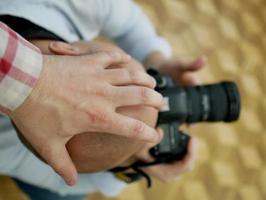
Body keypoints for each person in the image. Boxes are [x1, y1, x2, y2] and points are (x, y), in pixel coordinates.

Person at [0, 20, 164, 187]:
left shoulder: (74, 7)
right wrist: (127, 168)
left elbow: (130, 21)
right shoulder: (4, 152)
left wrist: (159, 63)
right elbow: (61, 185)